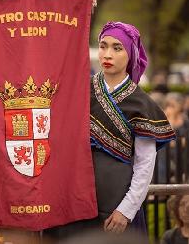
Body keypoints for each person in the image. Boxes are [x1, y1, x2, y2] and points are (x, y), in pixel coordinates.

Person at [48, 22, 176, 238]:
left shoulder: (142, 105)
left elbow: (145, 166)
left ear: (131, 54)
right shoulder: (78, 91)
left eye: (117, 48)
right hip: (73, 209)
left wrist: (125, 212)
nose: (108, 54)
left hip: (116, 215)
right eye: (103, 46)